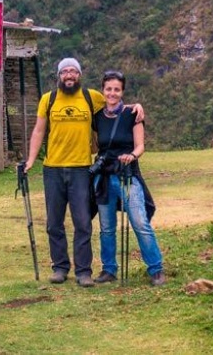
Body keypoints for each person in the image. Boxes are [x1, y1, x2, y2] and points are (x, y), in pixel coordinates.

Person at [24, 58, 144, 287]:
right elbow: (39, 131)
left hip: (81, 169)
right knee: (54, 223)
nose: (69, 75)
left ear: (79, 75)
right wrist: (31, 160)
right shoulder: (48, 100)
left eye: (73, 71)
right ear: (59, 76)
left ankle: (83, 271)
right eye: (65, 72)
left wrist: (136, 107)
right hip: (53, 169)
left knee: (82, 222)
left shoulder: (91, 97)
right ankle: (59, 268)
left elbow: (114, 105)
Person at [91, 70, 165, 286]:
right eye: (108, 89)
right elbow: (97, 145)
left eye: (117, 89)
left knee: (140, 222)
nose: (112, 93)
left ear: (122, 91)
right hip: (105, 178)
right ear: (103, 90)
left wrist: (131, 156)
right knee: (106, 227)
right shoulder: (97, 118)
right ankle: (109, 269)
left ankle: (156, 269)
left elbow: (140, 146)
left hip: (127, 174)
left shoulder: (133, 113)